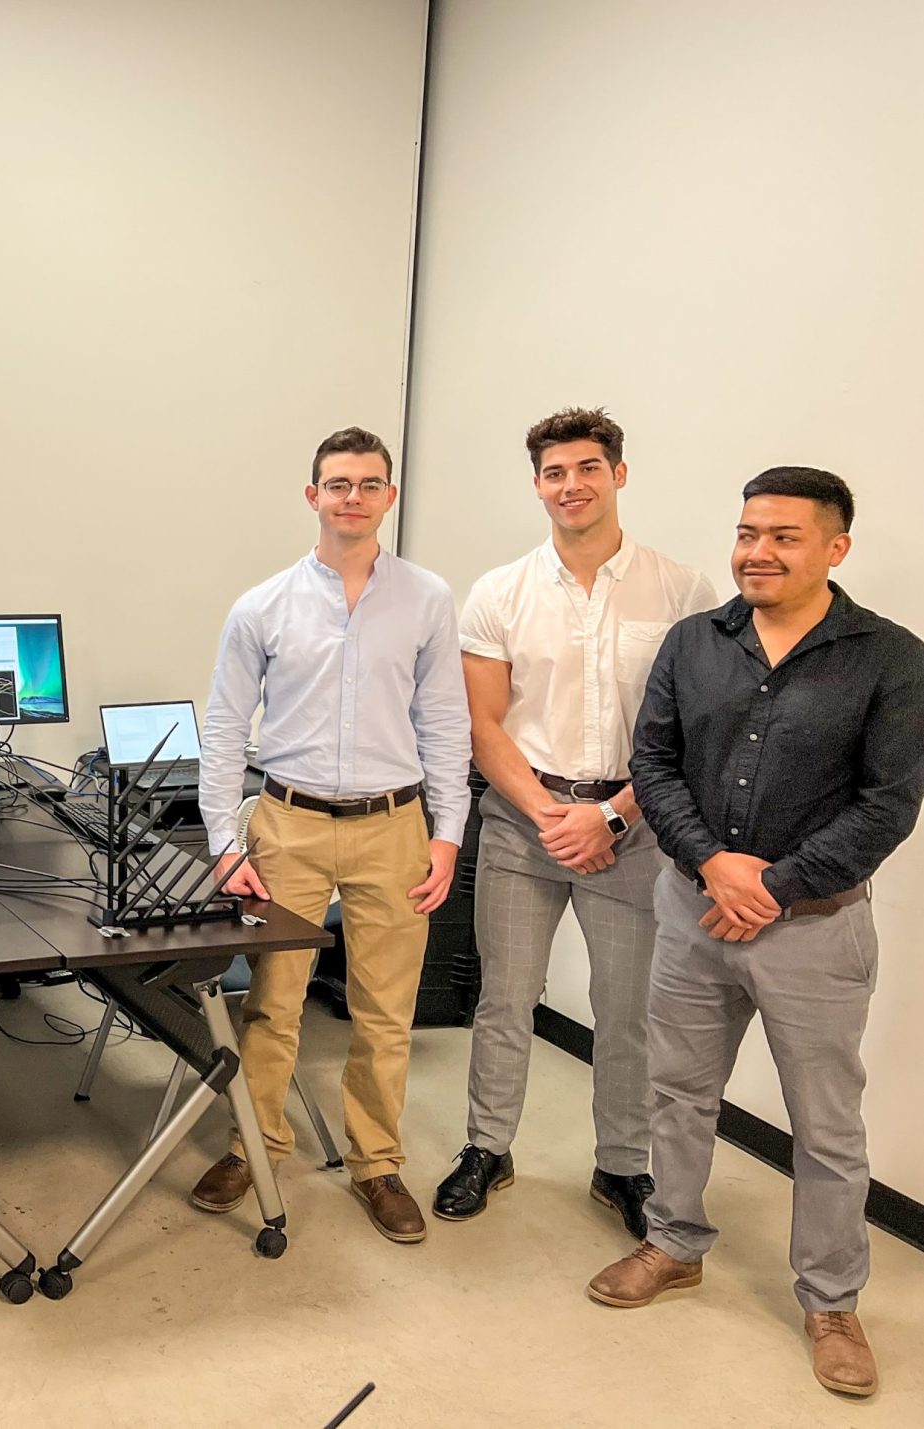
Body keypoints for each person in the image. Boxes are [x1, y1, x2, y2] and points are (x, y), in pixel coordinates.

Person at [587, 468, 924, 1400]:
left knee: (824, 1125)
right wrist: (711, 865)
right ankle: (673, 1242)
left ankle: (829, 1298)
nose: (756, 551)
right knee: (679, 1091)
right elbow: (651, 763)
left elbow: (889, 804)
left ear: (833, 548)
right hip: (692, 910)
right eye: (745, 532)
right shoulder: (694, 642)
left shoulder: (890, 658)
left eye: (781, 535)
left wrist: (770, 886)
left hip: (813, 929)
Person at [435, 409, 718, 1234]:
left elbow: (690, 730)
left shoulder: (681, 589)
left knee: (626, 1010)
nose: (571, 485)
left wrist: (612, 818)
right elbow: (483, 724)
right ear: (537, 485)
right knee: (504, 1000)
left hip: (635, 825)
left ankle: (622, 1166)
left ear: (618, 475)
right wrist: (550, 815)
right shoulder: (500, 591)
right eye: (554, 472)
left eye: (587, 468)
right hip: (525, 824)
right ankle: (487, 1146)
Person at [193, 426, 471, 1243]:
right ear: (311, 495)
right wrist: (223, 843)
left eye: (369, 483)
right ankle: (254, 1146)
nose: (353, 496)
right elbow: (222, 729)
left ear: (389, 496)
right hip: (288, 825)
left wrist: (448, 834)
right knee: (273, 1007)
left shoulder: (426, 598)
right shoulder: (262, 605)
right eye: (337, 483)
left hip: (395, 827)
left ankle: (376, 1164)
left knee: (384, 1013)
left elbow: (445, 723)